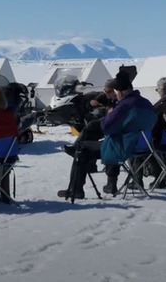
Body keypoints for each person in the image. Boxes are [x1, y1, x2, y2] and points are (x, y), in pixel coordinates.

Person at [58, 70, 157, 199]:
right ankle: (102, 177)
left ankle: (75, 190)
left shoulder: (124, 106)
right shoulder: (146, 103)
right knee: (98, 137)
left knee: (81, 148)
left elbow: (106, 126)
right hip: (143, 146)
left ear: (120, 93)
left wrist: (110, 114)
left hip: (123, 146)